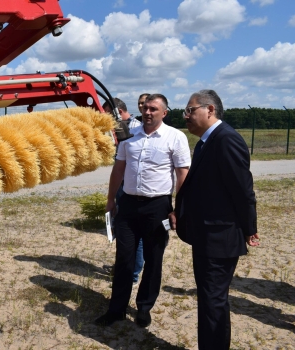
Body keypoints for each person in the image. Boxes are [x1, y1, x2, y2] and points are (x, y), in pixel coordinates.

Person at [95, 94, 190, 328]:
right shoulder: (129, 137)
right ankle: (116, 310)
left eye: (154, 109)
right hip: (128, 205)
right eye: (145, 108)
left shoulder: (175, 137)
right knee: (124, 259)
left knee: (153, 259)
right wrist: (110, 201)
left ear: (164, 113)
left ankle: (144, 307)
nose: (148, 112)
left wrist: (179, 208)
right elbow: (118, 170)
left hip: (157, 208)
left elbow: (182, 175)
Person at [174, 90, 259, 349]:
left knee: (213, 302)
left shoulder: (226, 140)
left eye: (190, 110)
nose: (186, 116)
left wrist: (249, 228)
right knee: (210, 300)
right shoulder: (206, 141)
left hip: (219, 237)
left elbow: (242, 190)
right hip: (206, 235)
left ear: (209, 110)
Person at [102, 97, 144, 285]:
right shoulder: (117, 127)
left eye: (108, 114)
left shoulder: (136, 128)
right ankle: (123, 266)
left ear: (117, 111)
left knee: (137, 234)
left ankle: (133, 274)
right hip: (121, 185)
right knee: (122, 229)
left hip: (133, 188)